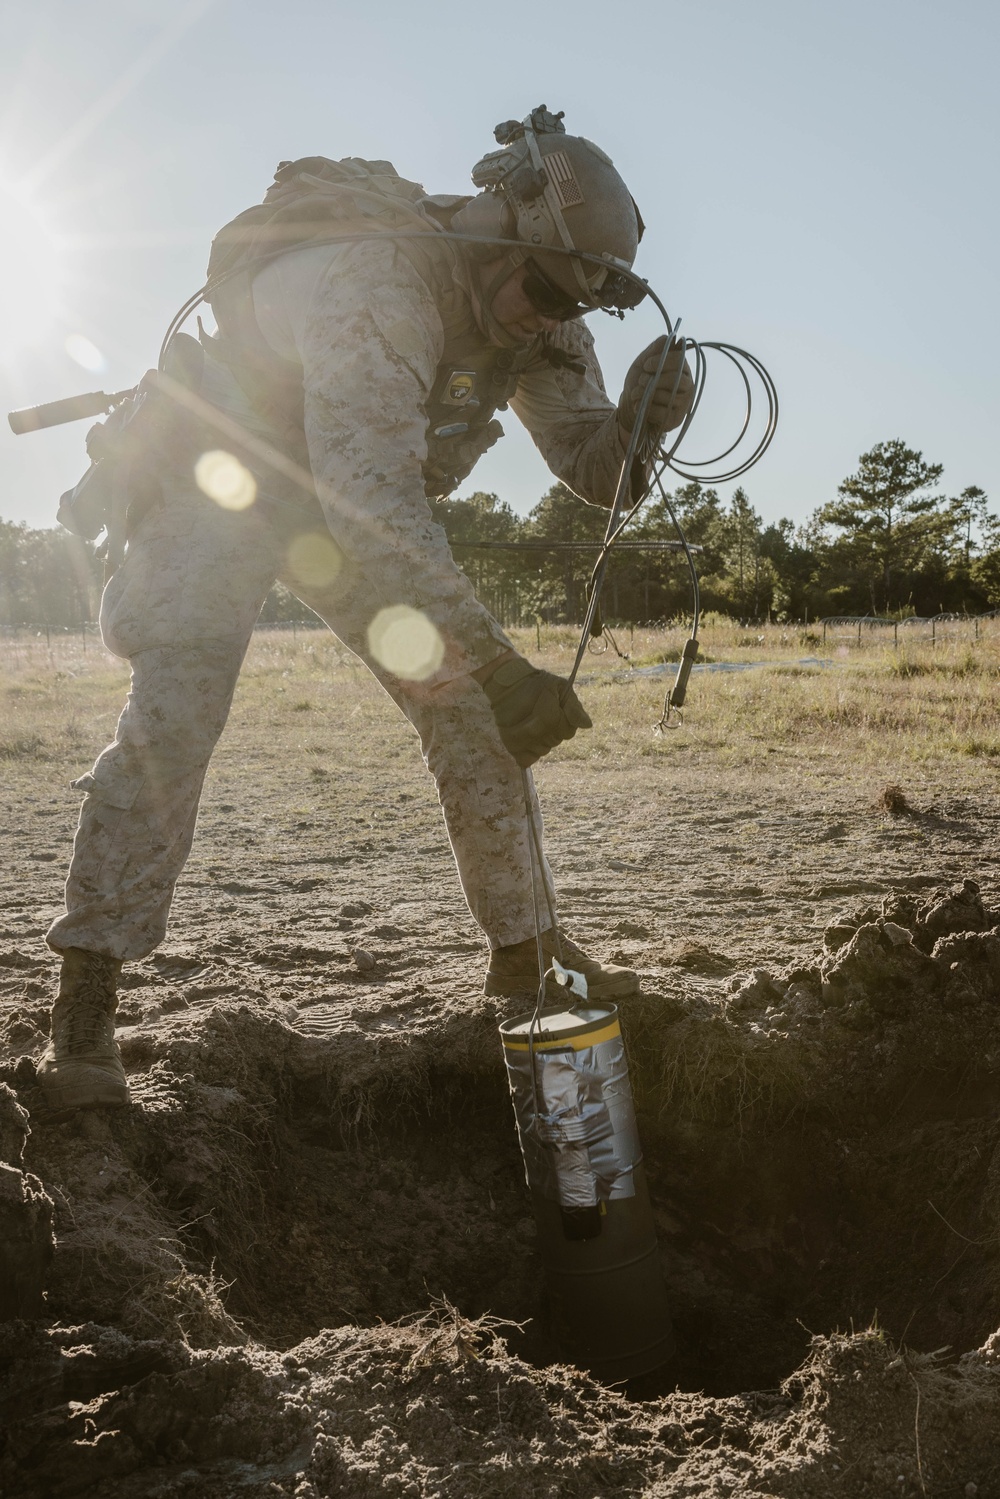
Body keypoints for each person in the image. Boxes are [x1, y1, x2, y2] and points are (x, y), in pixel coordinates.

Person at [38, 105, 694, 1112]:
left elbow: (591, 470)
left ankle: (526, 956)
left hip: (346, 507)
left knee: (467, 708)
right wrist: (501, 659)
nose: (543, 317)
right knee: (179, 709)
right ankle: (87, 993)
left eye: (568, 304)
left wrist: (642, 429)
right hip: (227, 481)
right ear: (498, 220)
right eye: (541, 290)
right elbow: (374, 507)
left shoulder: (548, 313)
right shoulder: (381, 282)